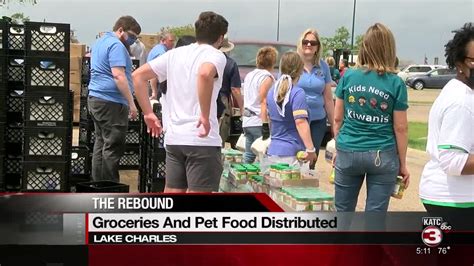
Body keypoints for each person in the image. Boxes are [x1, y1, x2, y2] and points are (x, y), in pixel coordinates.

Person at [133, 11, 228, 193]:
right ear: (220, 38)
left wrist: (148, 113)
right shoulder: (216, 55)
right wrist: (205, 115)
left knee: (172, 195)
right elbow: (204, 73)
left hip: (175, 138)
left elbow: (138, 76)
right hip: (202, 139)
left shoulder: (174, 54)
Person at [333, 23, 409, 212]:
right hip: (382, 153)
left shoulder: (348, 76)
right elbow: (401, 128)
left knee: (342, 211)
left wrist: (338, 145)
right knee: (375, 215)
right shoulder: (396, 83)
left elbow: (337, 119)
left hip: (349, 148)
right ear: (389, 49)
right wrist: (403, 163)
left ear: (364, 47)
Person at [419, 22, 474, 227]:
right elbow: (453, 161)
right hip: (455, 201)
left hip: (453, 197)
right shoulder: (462, 102)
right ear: (460, 63)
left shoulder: (459, 90)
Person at [87, 15, 141, 182]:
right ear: (120, 30)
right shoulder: (117, 45)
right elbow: (118, 76)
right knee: (112, 146)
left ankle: (98, 185)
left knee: (101, 143)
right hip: (111, 102)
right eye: (131, 36)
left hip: (96, 99)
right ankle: (109, 188)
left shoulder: (100, 42)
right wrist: (132, 104)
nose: (133, 40)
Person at [266, 51, 316, 164]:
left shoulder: (271, 92)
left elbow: (270, 120)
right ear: (300, 70)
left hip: (273, 151)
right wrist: (310, 149)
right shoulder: (298, 93)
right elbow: (300, 122)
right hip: (292, 154)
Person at [297, 28, 334, 168]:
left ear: (318, 47)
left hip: (318, 120)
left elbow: (328, 99)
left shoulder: (323, 66)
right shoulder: (293, 63)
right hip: (296, 119)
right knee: (295, 158)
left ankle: (306, 186)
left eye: (313, 42)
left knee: (311, 159)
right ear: (300, 43)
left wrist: (334, 127)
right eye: (305, 42)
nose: (309, 45)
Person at [242, 46, 278, 163]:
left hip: (247, 120)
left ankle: (243, 178)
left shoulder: (249, 75)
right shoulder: (267, 77)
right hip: (258, 120)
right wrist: (265, 124)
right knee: (263, 155)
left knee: (248, 155)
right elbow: (263, 100)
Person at [217, 37, 243, 146]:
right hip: (222, 100)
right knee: (220, 134)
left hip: (205, 98)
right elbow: (235, 90)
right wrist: (242, 107)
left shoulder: (204, 60)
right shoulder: (230, 64)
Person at [147, 31, 176, 100]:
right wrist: (154, 91)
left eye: (173, 41)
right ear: (163, 41)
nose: (173, 43)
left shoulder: (157, 49)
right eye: (171, 41)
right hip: (155, 85)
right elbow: (153, 73)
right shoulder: (161, 53)